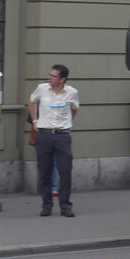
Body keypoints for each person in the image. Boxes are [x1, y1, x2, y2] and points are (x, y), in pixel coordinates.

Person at [28, 64, 80, 216]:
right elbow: (31, 102)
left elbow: (74, 109)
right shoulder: (42, 88)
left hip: (62, 136)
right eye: (50, 75)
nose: (49, 78)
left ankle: (65, 205)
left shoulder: (72, 92)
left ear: (62, 79)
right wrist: (35, 121)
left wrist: (66, 121)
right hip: (44, 134)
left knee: (65, 171)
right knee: (44, 171)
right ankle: (46, 204)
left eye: (53, 76)